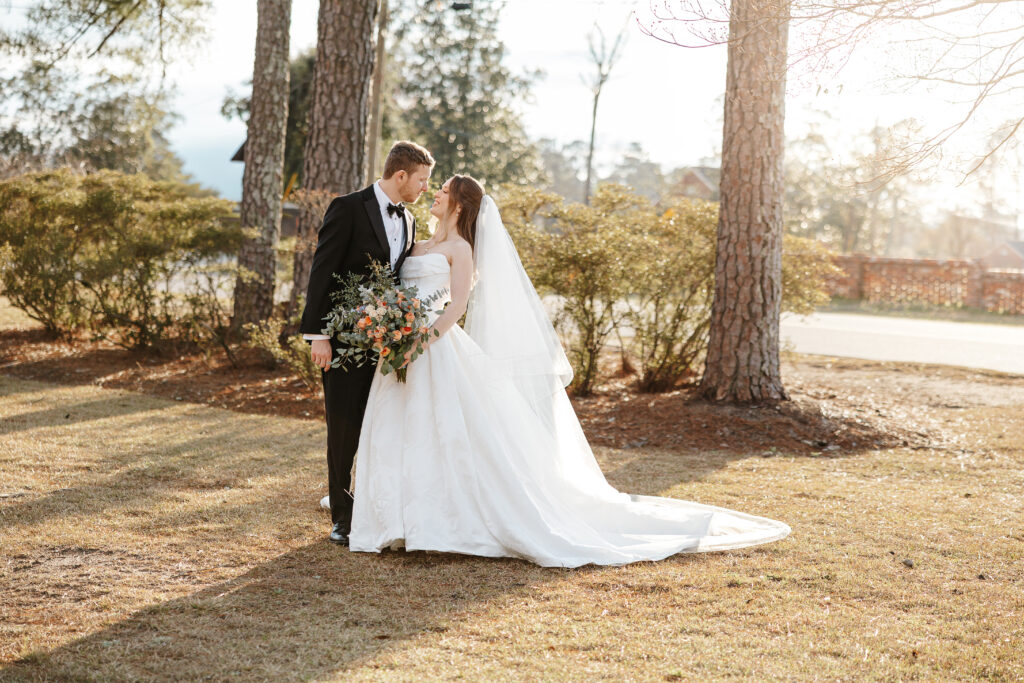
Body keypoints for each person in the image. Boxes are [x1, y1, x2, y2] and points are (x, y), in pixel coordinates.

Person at [334, 174, 791, 568]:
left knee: (449, 431)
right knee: (402, 428)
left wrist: (422, 339)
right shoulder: (415, 240)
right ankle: (395, 516)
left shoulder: (460, 248)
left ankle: (440, 521)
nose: (435, 193)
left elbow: (456, 305)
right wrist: (392, 328)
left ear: (459, 203)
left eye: (445, 189)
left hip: (434, 347)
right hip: (399, 351)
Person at [301, 140, 434, 546]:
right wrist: (319, 335)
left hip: (384, 344)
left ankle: (371, 502)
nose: (425, 188)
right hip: (341, 340)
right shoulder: (348, 207)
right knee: (342, 428)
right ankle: (343, 517)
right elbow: (323, 269)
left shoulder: (409, 220)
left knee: (374, 426)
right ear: (400, 176)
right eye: (422, 180)